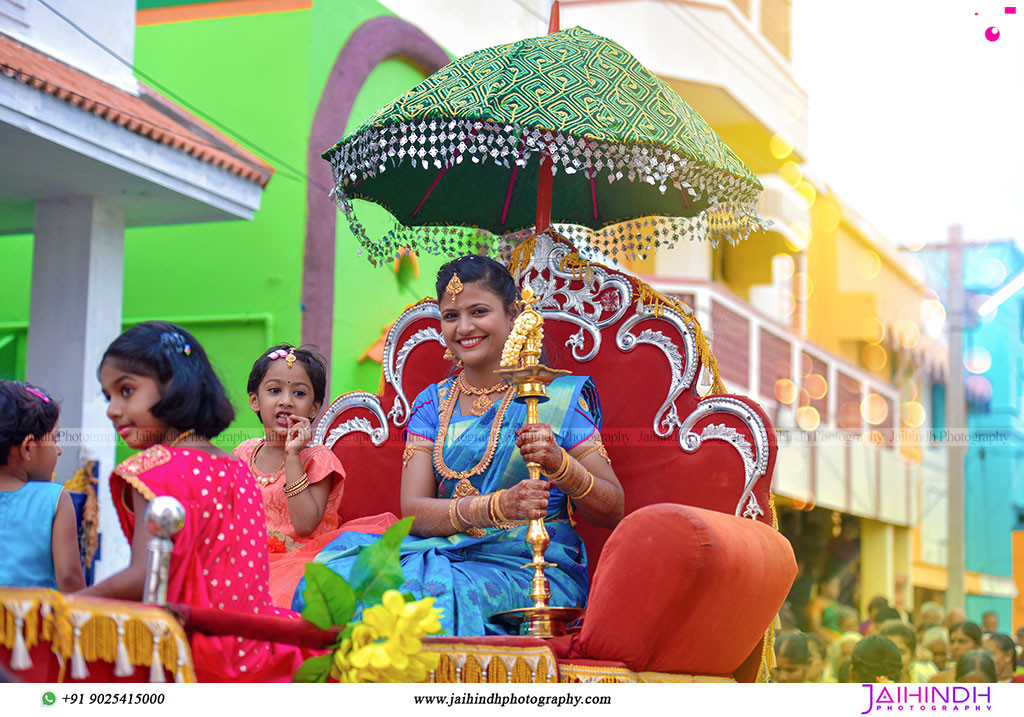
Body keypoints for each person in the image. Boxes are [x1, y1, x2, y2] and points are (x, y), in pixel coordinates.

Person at [296, 255, 625, 635]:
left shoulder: (555, 401)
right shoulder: (432, 404)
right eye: (450, 316)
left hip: (530, 571)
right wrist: (500, 505)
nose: (464, 327)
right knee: (336, 582)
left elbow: (613, 508)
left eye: (479, 311)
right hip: (443, 554)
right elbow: (414, 511)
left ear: (514, 314)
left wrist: (561, 465)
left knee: (426, 601)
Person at [77, 322, 311, 681]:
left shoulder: (151, 469)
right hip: (254, 647)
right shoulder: (236, 467)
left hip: (187, 652)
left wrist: (70, 604)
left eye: (126, 391)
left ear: (174, 387)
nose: (112, 409)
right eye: (108, 396)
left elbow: (144, 579)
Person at [234, 345, 394, 606]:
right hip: (248, 558)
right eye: (274, 390)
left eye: (299, 393)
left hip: (303, 563)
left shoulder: (318, 459)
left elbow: (305, 525)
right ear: (254, 400)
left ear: (313, 408)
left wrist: (293, 455)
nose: (286, 400)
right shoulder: (243, 451)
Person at [0, 381, 85, 592]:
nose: (59, 450)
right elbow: (69, 578)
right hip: (32, 623)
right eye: (55, 438)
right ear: (28, 447)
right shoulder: (53, 499)